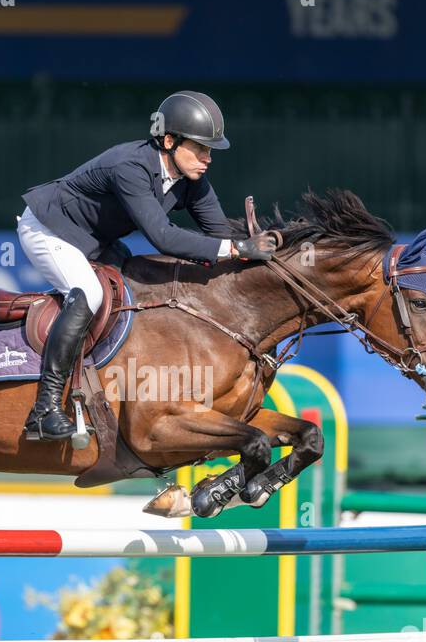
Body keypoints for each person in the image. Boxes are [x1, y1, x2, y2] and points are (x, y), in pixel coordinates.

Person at [16, 90, 280, 441]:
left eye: (210, 150)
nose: (208, 158)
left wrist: (265, 245)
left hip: (95, 240)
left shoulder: (192, 182)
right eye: (200, 148)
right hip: (48, 229)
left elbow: (219, 234)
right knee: (89, 294)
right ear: (169, 140)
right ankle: (44, 409)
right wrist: (236, 247)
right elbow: (164, 237)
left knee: (142, 283)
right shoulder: (131, 167)